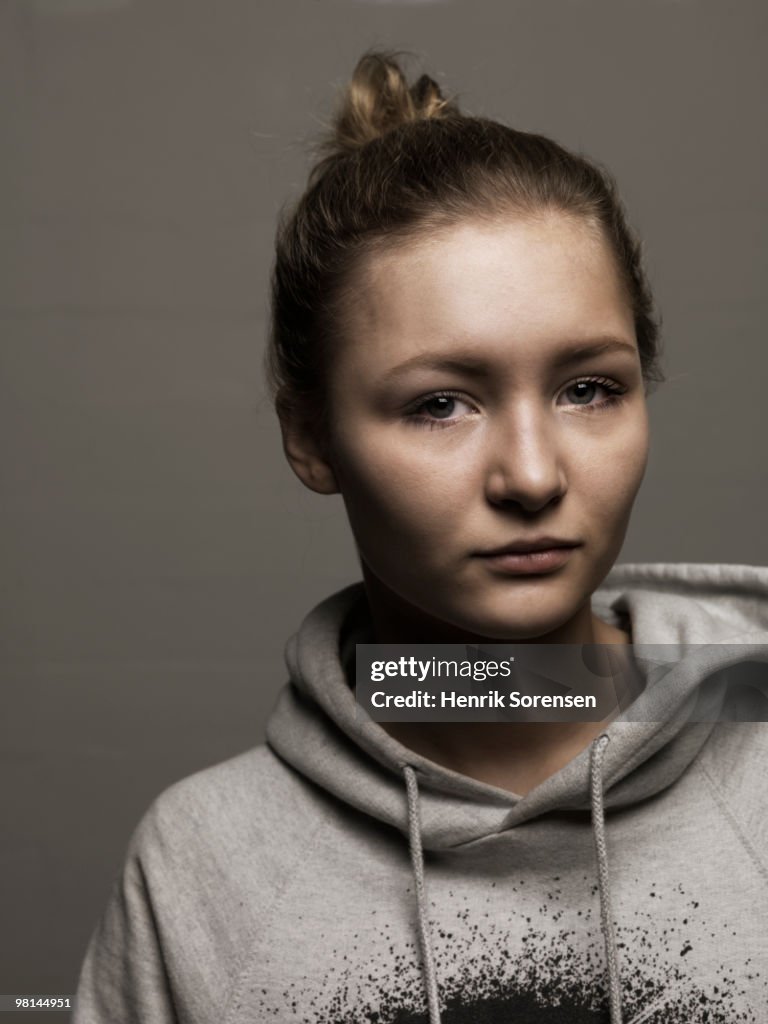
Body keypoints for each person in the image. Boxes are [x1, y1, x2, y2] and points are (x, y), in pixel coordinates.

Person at [72, 50, 768, 1024]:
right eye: (440, 403)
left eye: (588, 389)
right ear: (311, 436)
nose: (532, 475)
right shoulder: (205, 863)